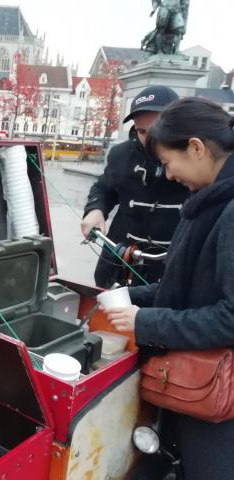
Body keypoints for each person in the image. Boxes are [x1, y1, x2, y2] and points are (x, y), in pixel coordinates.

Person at [107, 97, 234, 480]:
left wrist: (145, 322)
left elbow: (229, 317)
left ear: (196, 147)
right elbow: (189, 288)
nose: (167, 174)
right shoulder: (210, 199)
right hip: (195, 383)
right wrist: (131, 298)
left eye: (167, 163)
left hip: (216, 401)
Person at [81, 85, 190, 288]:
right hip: (121, 257)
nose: (150, 139)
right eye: (142, 131)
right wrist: (96, 209)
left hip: (171, 264)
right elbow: (103, 188)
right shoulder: (121, 154)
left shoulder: (193, 158)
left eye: (158, 130)